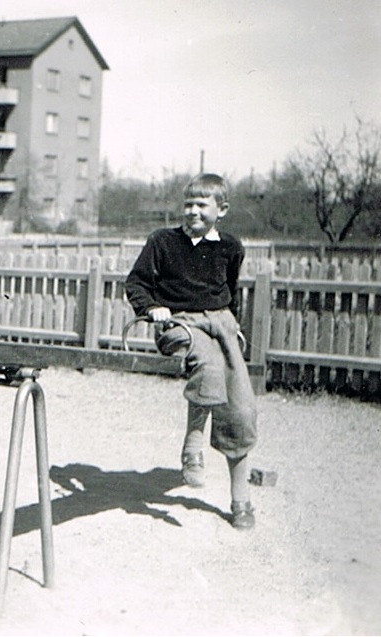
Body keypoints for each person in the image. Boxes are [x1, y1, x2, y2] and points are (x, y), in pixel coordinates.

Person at [125, 173, 257, 530]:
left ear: (222, 209)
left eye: (202, 205)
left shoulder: (230, 247)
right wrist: (152, 307)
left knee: (240, 407)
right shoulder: (163, 242)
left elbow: (227, 291)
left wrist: (234, 327)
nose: (193, 211)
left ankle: (241, 499)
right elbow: (136, 282)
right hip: (180, 324)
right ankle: (193, 446)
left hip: (220, 325)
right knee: (210, 368)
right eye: (188, 204)